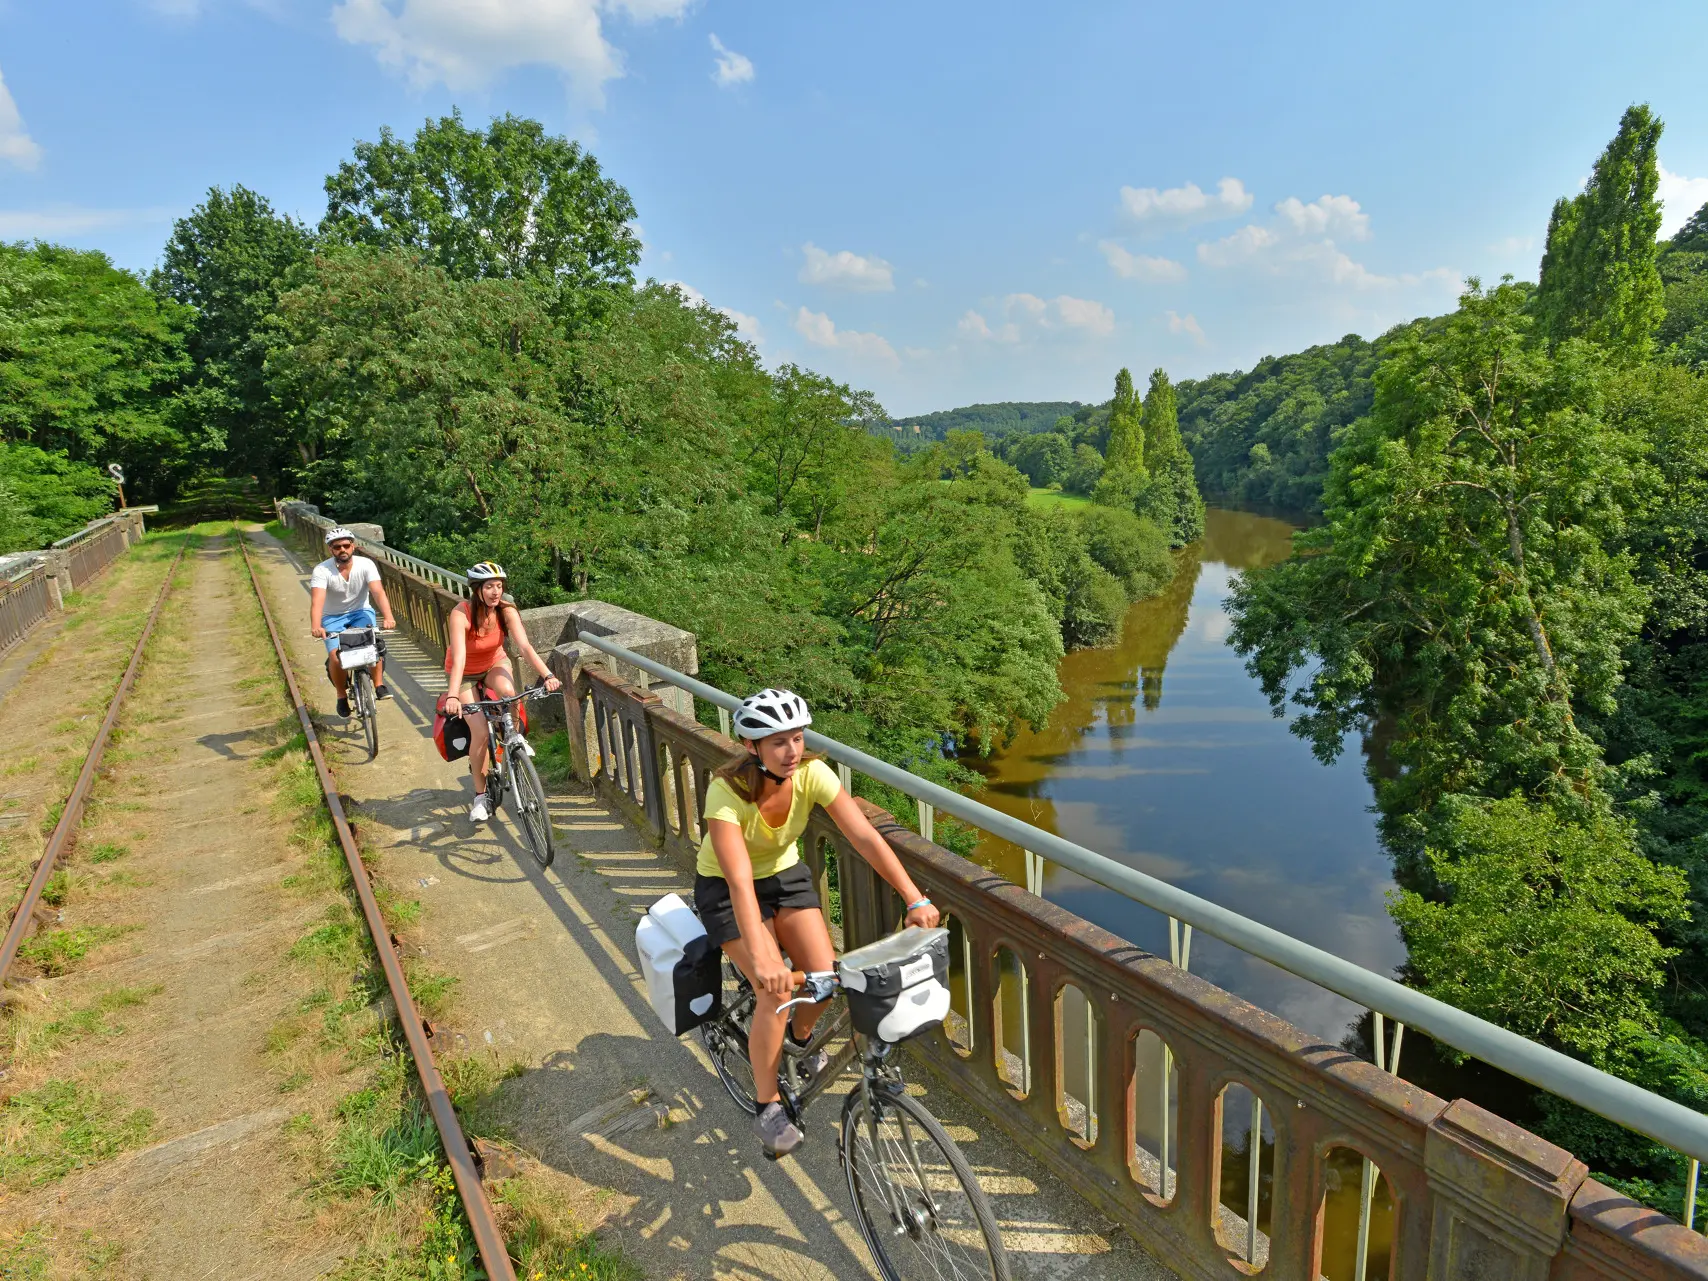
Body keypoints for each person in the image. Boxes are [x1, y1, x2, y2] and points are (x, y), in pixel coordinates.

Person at [696, 687, 940, 1158]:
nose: (792, 751)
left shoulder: (813, 775)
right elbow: (741, 883)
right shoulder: (725, 793)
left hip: (785, 876)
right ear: (752, 747)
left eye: (798, 738)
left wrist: (914, 896)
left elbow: (864, 836)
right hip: (726, 888)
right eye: (778, 742)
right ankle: (767, 1104)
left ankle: (797, 1038)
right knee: (776, 990)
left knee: (825, 975)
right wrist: (766, 962)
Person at [441, 562, 562, 822]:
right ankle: (480, 796)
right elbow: (459, 657)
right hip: (464, 674)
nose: (496, 592)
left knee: (509, 692)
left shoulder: (506, 610)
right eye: (489, 587)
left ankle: (514, 741)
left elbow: (525, 647)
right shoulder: (460, 614)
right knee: (481, 732)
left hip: (493, 662)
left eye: (499, 586)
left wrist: (547, 675)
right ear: (477, 589)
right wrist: (452, 695)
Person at [308, 527, 396, 718]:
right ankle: (341, 696)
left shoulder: (366, 565)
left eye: (346, 545)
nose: (342, 549)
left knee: (373, 647)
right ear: (331, 549)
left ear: (353, 546)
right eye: (337, 546)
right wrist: (316, 625)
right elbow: (317, 601)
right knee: (335, 657)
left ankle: (379, 684)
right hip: (332, 616)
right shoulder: (322, 570)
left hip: (361, 612)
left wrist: (388, 617)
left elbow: (378, 592)